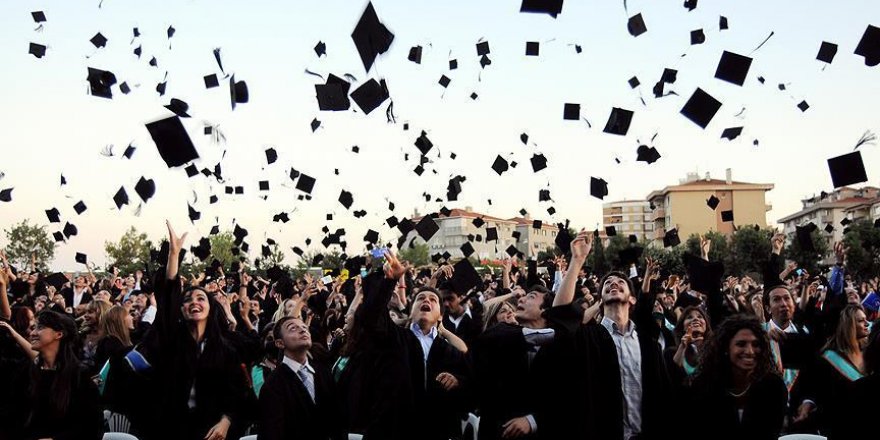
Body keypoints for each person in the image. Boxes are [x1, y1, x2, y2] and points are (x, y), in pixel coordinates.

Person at [131, 221, 253, 440]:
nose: (193, 302)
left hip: (212, 432)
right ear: (181, 309)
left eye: (200, 298)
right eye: (187, 299)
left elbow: (239, 394)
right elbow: (168, 296)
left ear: (210, 307)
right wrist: (174, 255)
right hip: (172, 429)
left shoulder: (226, 350)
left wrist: (226, 422)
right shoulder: (171, 340)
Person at [548, 232, 672, 440]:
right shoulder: (590, 338)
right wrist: (577, 261)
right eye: (608, 283)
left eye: (620, 281)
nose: (614, 283)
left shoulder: (647, 343)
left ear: (632, 299)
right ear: (601, 299)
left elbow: (664, 396)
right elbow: (560, 315)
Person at [687, 315, 787, 440]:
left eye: (756, 344)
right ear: (726, 348)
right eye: (741, 344)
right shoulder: (703, 386)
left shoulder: (773, 386)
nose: (750, 351)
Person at [14, 310, 104, 440]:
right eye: (34, 328)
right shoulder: (25, 372)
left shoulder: (81, 375)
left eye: (40, 328)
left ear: (59, 334)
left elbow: (91, 425)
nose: (32, 333)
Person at [258, 316, 344, 440]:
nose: (303, 330)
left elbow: (338, 421)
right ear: (280, 343)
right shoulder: (273, 385)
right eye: (293, 328)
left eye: (304, 327)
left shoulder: (323, 373)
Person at [791, 305, 870, 438]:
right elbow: (814, 391)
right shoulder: (828, 360)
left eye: (866, 319)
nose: (867, 323)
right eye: (861, 321)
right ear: (849, 326)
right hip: (839, 427)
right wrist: (808, 404)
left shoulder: (870, 354)